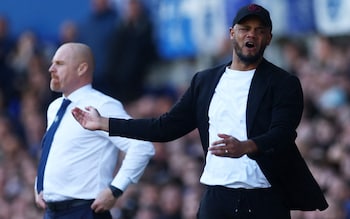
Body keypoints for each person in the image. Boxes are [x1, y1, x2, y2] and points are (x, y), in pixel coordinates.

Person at [72, 4, 328, 219]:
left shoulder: (283, 83)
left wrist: (246, 147)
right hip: (216, 199)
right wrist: (105, 123)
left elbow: (282, 134)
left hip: (264, 199)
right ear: (231, 33)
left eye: (260, 31)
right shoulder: (204, 81)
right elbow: (165, 127)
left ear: (269, 38)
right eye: (245, 29)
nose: (252, 35)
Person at [34, 42, 155, 219]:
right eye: (52, 63)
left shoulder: (102, 105)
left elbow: (142, 146)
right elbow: (54, 152)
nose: (51, 68)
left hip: (84, 210)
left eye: (60, 64)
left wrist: (115, 189)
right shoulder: (55, 107)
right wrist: (40, 186)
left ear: (82, 68)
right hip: (52, 211)